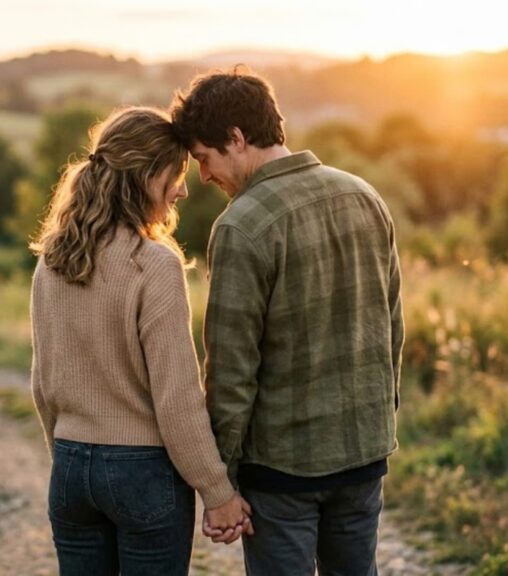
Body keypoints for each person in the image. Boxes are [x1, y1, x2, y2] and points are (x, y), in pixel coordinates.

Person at [171, 69, 404, 575]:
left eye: (204, 160)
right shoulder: (364, 195)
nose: (204, 177)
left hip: (283, 468)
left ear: (236, 137)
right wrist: (381, 415)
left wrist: (222, 482)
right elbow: (392, 324)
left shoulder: (241, 224)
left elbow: (232, 369)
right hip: (364, 452)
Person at [28, 106, 252, 576]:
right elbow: (177, 399)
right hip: (142, 472)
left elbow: (42, 383)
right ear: (146, 176)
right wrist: (218, 493)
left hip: (69, 468)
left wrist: (70, 458)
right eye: (176, 173)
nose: (184, 188)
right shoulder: (154, 265)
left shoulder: (52, 261)